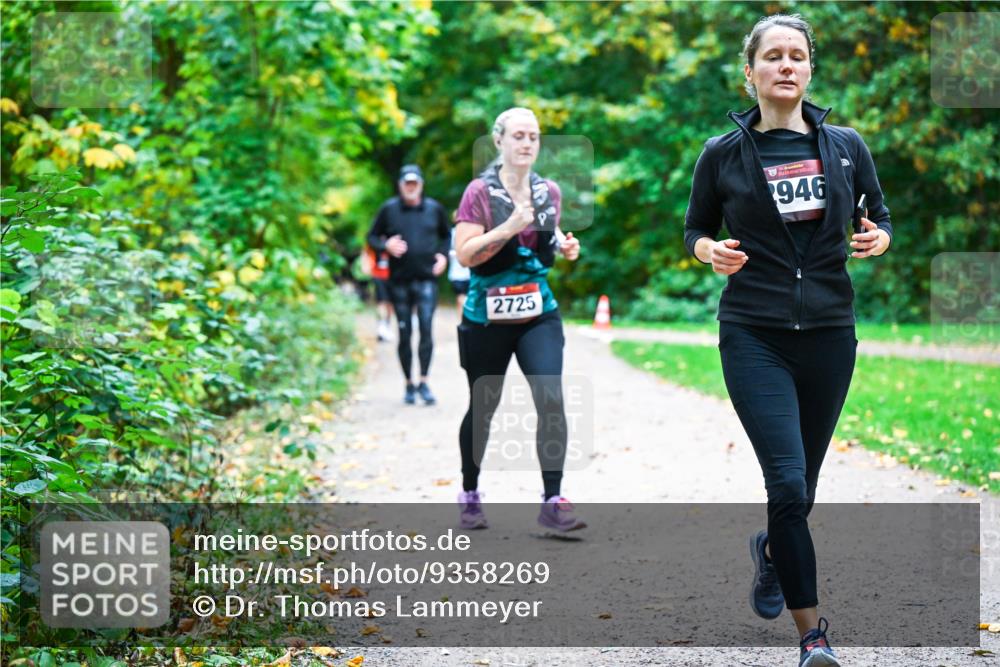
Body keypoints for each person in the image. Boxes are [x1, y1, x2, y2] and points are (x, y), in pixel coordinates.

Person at [683, 14, 892, 667]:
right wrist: (710, 251)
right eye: (772, 56)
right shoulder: (722, 152)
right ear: (750, 73)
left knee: (802, 490)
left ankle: (773, 549)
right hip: (754, 332)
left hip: (830, 333)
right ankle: (813, 637)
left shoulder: (846, 146)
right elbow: (693, 229)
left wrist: (879, 237)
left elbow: (879, 214)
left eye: (796, 55)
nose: (785, 65)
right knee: (787, 481)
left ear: (809, 69)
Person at [453, 107, 584, 534]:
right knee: (483, 407)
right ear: (499, 141)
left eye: (533, 136)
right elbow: (465, 255)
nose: (527, 143)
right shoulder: (479, 192)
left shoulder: (549, 191)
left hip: (537, 312)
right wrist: (507, 227)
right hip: (486, 316)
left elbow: (546, 235)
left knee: (551, 398)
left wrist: (564, 246)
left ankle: (553, 501)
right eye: (518, 136)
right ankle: (470, 493)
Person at [367, 165, 451, 405]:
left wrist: (443, 256)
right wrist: (386, 246)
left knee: (426, 328)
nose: (411, 187)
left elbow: (447, 236)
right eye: (407, 183)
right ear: (400, 185)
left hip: (427, 279)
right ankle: (408, 384)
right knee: (404, 333)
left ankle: (424, 382)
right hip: (399, 281)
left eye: (415, 183)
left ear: (421, 185)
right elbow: (371, 237)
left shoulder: (434, 209)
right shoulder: (389, 209)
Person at [448, 224, 471, 312]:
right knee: (461, 298)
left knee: (462, 298)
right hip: (457, 274)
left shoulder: (470, 231)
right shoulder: (452, 232)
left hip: (468, 273)